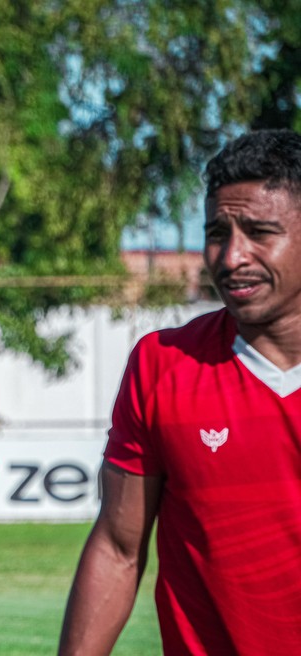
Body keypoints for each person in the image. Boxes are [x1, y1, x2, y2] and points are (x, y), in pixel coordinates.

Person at [59, 128, 301, 656]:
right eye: (217, 232)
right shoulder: (162, 364)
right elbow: (119, 548)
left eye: (260, 232)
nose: (232, 255)